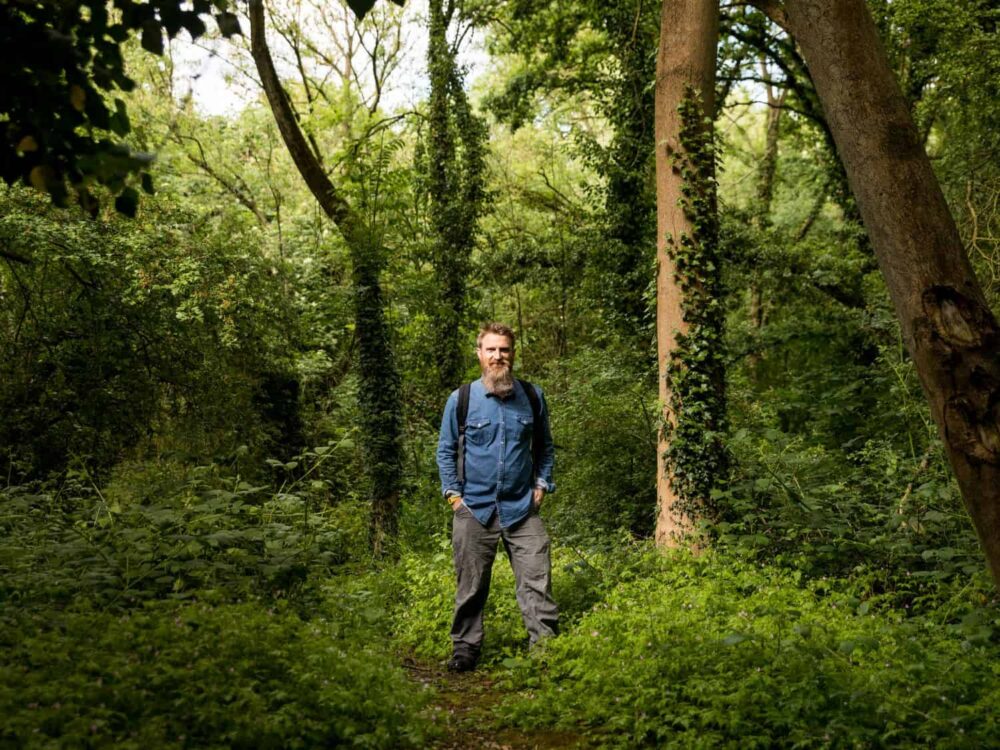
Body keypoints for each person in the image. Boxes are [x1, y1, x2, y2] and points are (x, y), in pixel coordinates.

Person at [436, 322, 559, 672]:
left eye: (504, 349)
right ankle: (465, 649)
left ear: (513, 353)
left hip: (522, 508)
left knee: (537, 581)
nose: (497, 356)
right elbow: (445, 451)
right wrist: (454, 497)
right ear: (479, 354)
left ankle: (545, 650)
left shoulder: (532, 396)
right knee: (471, 586)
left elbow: (545, 448)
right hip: (473, 508)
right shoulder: (461, 399)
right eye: (491, 349)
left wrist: (541, 485)